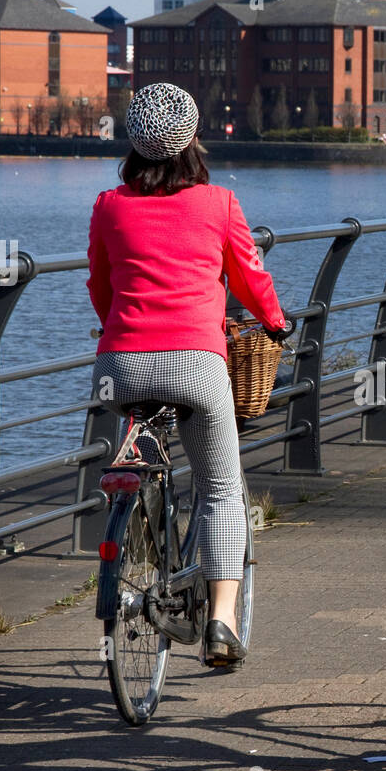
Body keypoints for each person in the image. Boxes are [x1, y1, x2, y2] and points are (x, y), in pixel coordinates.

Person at [87, 82, 292, 666]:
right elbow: (251, 280)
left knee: (144, 448)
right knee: (222, 488)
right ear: (192, 141)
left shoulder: (108, 206)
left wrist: (121, 327)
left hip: (119, 365)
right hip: (197, 365)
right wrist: (274, 323)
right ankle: (221, 623)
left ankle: (137, 527)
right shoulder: (220, 203)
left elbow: (101, 287)